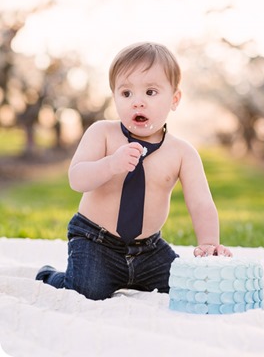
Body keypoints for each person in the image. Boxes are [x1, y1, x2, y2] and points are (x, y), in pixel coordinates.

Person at [36, 41, 232, 300]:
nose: (137, 102)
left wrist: (208, 242)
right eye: (126, 93)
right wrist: (110, 165)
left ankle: (136, 276)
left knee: (186, 285)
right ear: (114, 96)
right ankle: (52, 277)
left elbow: (201, 203)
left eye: (150, 92)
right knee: (87, 290)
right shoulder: (102, 134)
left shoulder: (182, 153)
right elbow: (77, 179)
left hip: (149, 250)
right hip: (95, 241)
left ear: (174, 99)